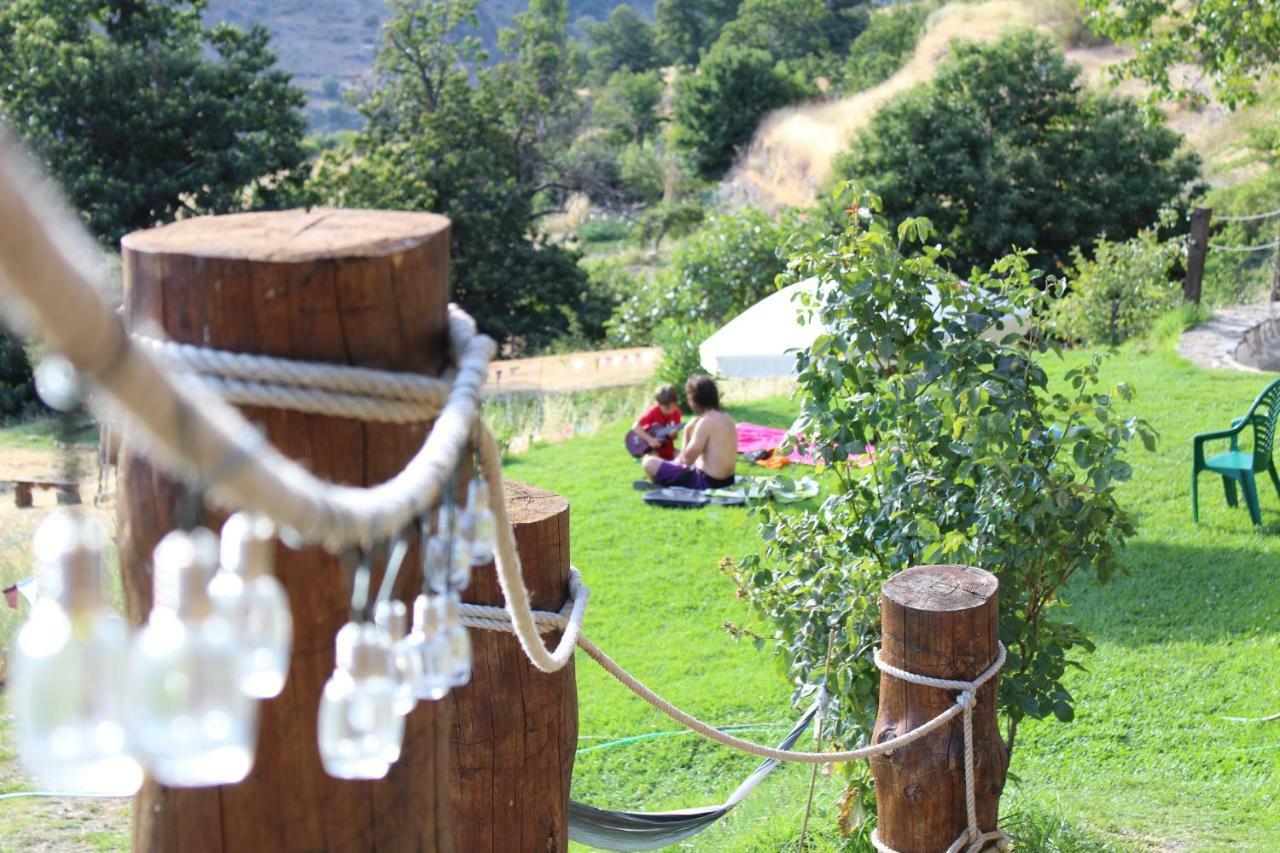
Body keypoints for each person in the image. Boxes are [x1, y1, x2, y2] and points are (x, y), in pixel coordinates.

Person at [642, 374, 737, 490]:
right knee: (670, 461)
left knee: (648, 462)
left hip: (706, 482)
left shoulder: (705, 422)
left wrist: (687, 431)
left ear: (695, 399)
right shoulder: (728, 418)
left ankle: (663, 484)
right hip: (728, 480)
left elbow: (686, 461)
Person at [632, 385, 682, 461]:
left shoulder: (676, 414)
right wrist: (650, 440)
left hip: (668, 449)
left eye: (673, 407)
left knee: (682, 459)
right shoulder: (653, 412)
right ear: (659, 404)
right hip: (652, 450)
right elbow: (635, 426)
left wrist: (673, 435)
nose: (670, 411)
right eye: (667, 408)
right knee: (655, 460)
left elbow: (674, 437)